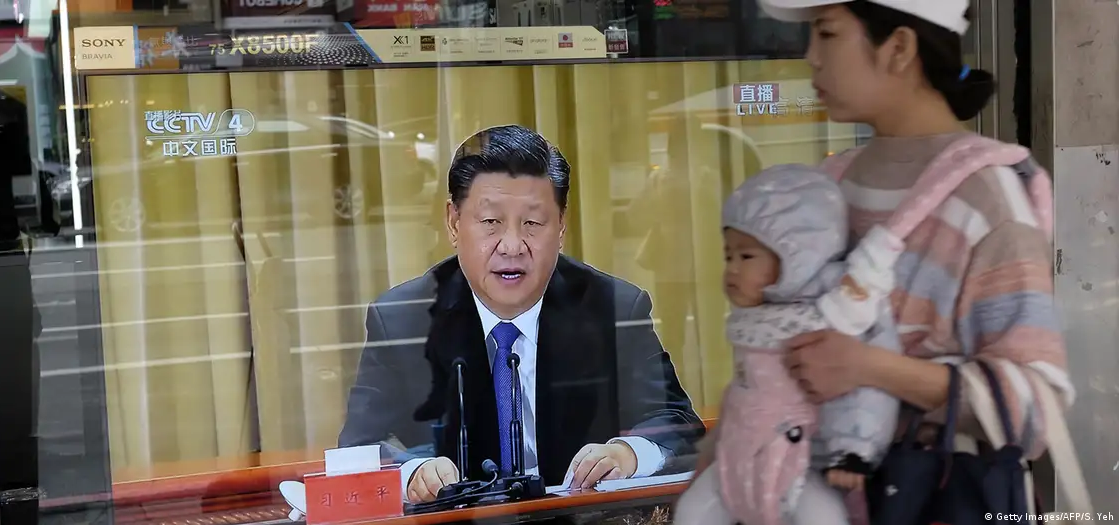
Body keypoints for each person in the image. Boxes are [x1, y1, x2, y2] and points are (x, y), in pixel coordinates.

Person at [690, 0, 1073, 513]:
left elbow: (1037, 407)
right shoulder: (827, 186)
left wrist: (871, 368)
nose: (811, 56)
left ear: (899, 48)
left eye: (827, 33)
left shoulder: (988, 199)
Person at [339, 125, 705, 503]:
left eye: (532, 223)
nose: (512, 246)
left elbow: (677, 423)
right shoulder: (402, 319)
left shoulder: (612, 308)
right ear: (453, 222)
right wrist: (412, 473)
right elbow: (358, 447)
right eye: (490, 222)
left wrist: (628, 454)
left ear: (560, 226)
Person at [674, 165, 902, 525]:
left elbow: (862, 393)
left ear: (796, 258)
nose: (732, 269)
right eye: (728, 256)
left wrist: (853, 449)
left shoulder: (833, 319)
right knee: (692, 513)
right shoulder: (750, 324)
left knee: (823, 517)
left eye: (746, 256)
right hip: (737, 459)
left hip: (799, 460)